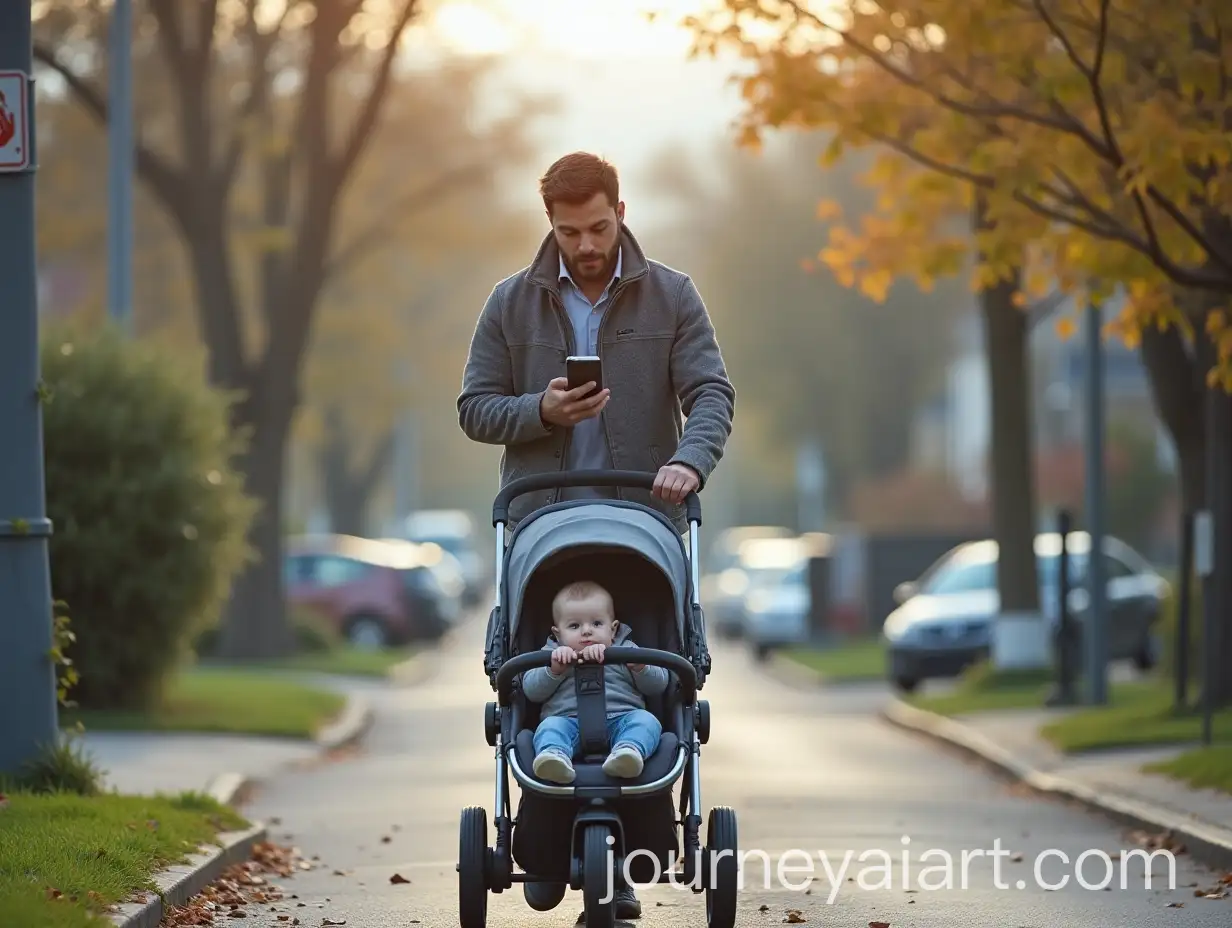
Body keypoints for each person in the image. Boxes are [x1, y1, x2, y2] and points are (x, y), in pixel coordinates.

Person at [456, 151, 736, 534]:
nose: (586, 245)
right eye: (569, 232)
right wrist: (539, 410)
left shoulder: (673, 295)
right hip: (540, 525)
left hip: (645, 521)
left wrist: (689, 461)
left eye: (598, 228)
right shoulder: (509, 302)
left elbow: (711, 393)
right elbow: (474, 409)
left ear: (620, 212)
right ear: (550, 222)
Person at [522, 580, 669, 785]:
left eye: (597, 624)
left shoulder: (627, 650)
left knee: (646, 722)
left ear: (613, 628)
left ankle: (628, 752)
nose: (586, 631)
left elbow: (658, 685)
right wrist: (555, 670)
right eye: (574, 626)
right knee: (549, 727)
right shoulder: (551, 655)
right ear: (558, 633)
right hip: (567, 721)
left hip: (622, 719)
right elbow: (531, 690)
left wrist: (639, 667)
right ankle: (554, 757)